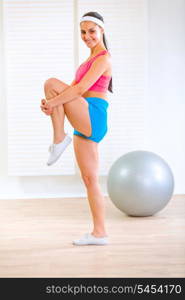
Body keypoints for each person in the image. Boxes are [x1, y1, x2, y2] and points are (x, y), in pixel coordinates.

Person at [40, 11, 113, 246]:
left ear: (101, 30)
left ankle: (59, 138)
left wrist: (54, 101)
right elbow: (70, 90)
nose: (87, 36)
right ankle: (99, 233)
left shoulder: (103, 57)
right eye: (83, 32)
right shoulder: (86, 62)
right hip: (83, 117)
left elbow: (80, 90)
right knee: (89, 178)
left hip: (93, 114)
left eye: (92, 31)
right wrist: (51, 105)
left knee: (51, 84)